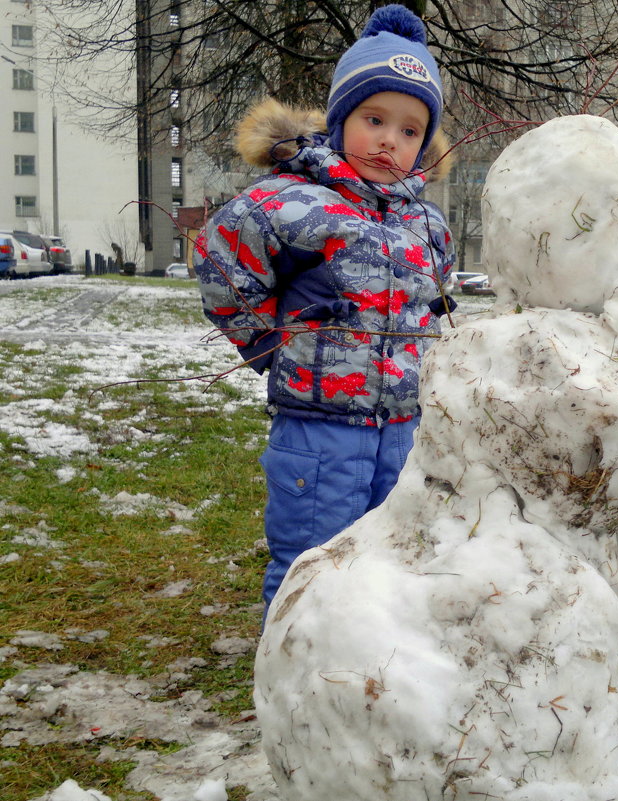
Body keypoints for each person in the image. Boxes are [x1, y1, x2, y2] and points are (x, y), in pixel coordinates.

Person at [194, 4, 456, 615]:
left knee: (393, 554)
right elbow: (221, 263)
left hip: (402, 431)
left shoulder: (426, 222)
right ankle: (294, 681)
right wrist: (267, 347)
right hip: (319, 429)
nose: (390, 139)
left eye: (410, 130)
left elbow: (437, 304)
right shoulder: (290, 203)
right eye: (374, 119)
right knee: (312, 559)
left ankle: (371, 672)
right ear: (340, 119)